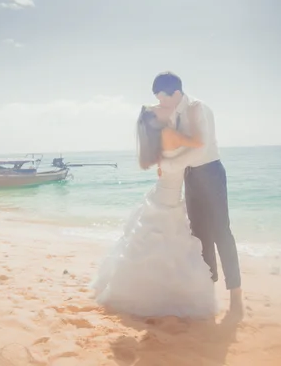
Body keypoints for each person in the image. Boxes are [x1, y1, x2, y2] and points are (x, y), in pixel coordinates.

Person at [89, 104, 220, 318]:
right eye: (157, 107)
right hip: (167, 196)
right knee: (165, 248)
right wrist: (195, 120)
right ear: (154, 118)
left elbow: (166, 166)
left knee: (155, 248)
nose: (162, 106)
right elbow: (197, 143)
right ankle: (162, 298)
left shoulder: (161, 135)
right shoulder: (169, 133)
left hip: (164, 193)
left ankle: (146, 292)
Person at [153, 71, 243, 317]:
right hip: (190, 175)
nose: (162, 103)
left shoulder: (197, 108)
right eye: (159, 99)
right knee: (200, 235)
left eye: (164, 98)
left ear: (177, 94)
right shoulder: (173, 112)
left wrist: (169, 165)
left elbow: (198, 148)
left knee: (221, 232)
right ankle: (208, 291)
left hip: (210, 172)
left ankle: (236, 296)